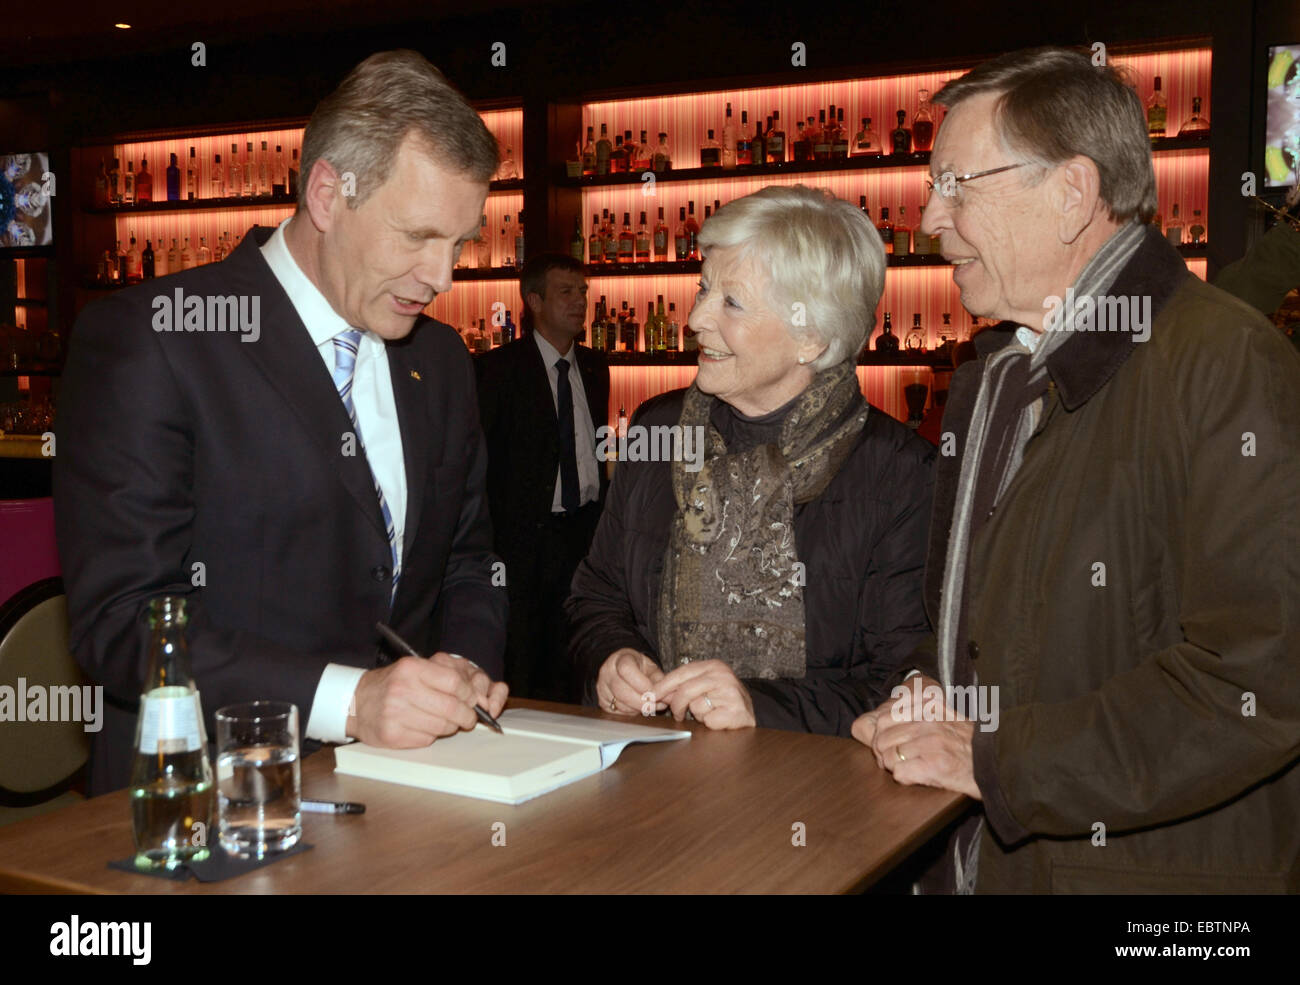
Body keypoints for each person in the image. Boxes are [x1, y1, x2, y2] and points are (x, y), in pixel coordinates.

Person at [852, 46, 1300, 893]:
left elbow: (1258, 682)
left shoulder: (1228, 365)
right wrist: (925, 685)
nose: (928, 220)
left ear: (1070, 193)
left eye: (956, 184)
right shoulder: (990, 376)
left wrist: (996, 756)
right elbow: (979, 619)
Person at [54, 50, 509, 794]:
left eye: (459, 244)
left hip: (413, 795)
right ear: (327, 194)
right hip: (204, 804)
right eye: (418, 236)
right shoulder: (157, 339)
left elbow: (467, 561)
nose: (443, 276)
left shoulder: (444, 362)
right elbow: (123, 620)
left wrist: (464, 663)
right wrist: (352, 701)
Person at [567, 184, 934, 736]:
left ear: (810, 335)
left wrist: (758, 707)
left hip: (820, 800)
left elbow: (903, 685)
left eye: (730, 302)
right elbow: (595, 595)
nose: (695, 319)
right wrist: (611, 655)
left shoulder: (901, 473)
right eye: (703, 289)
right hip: (650, 778)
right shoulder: (657, 431)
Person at [476, 253, 610, 702]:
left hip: (585, 532)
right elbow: (480, 463)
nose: (580, 302)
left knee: (577, 653)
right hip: (524, 541)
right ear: (534, 300)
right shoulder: (497, 370)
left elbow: (594, 445)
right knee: (526, 659)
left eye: (583, 292)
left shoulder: (595, 367)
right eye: (566, 292)